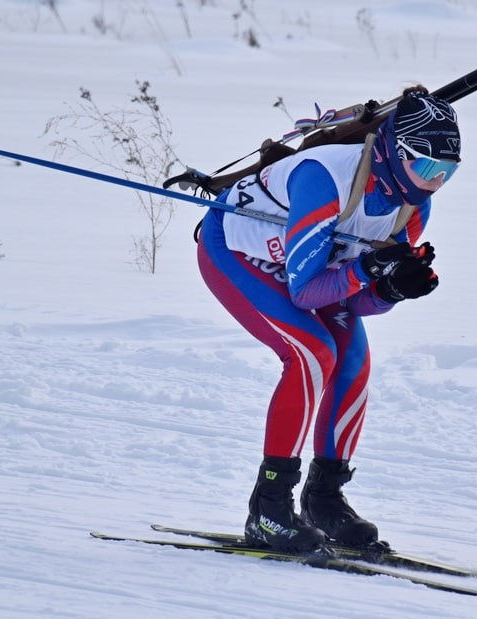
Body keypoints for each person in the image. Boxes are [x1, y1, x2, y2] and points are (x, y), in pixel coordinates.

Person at [196, 87, 461, 553]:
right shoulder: (324, 178)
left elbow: (354, 303)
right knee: (312, 354)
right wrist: (368, 269)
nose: (434, 182)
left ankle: (324, 498)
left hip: (312, 270)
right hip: (237, 252)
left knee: (353, 361)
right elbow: (306, 294)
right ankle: (268, 509)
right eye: (425, 167)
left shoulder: (413, 206)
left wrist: (392, 289)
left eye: (447, 172)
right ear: (395, 151)